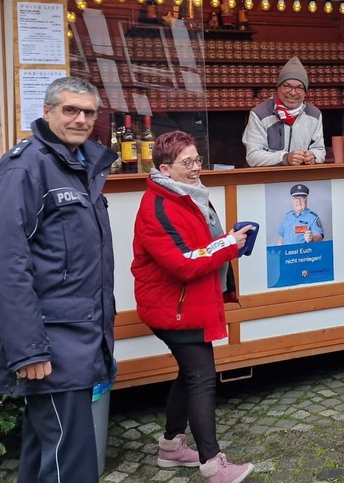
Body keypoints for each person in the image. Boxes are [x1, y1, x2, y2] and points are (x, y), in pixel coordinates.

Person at [0, 76, 117, 483]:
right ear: (47, 112)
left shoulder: (79, 165)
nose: (80, 120)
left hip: (80, 337)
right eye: (70, 110)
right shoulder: (25, 168)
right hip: (52, 345)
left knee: (48, 453)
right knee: (70, 462)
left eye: (88, 112)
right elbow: (6, 263)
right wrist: (29, 351)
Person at [131, 130, 256, 483]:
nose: (195, 167)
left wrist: (229, 240)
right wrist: (228, 245)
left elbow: (200, 246)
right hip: (173, 307)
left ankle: (171, 447)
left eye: (197, 159)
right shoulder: (158, 207)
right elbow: (183, 263)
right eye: (187, 162)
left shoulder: (188, 195)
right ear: (165, 169)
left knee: (190, 375)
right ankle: (213, 466)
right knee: (201, 379)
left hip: (184, 302)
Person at [243, 56, 326, 167]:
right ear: (278, 87)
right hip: (267, 177)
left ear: (305, 92)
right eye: (287, 86)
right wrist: (285, 158)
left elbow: (320, 150)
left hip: (302, 176)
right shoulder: (259, 114)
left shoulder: (314, 115)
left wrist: (314, 156)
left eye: (299, 88)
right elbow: (253, 156)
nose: (293, 93)